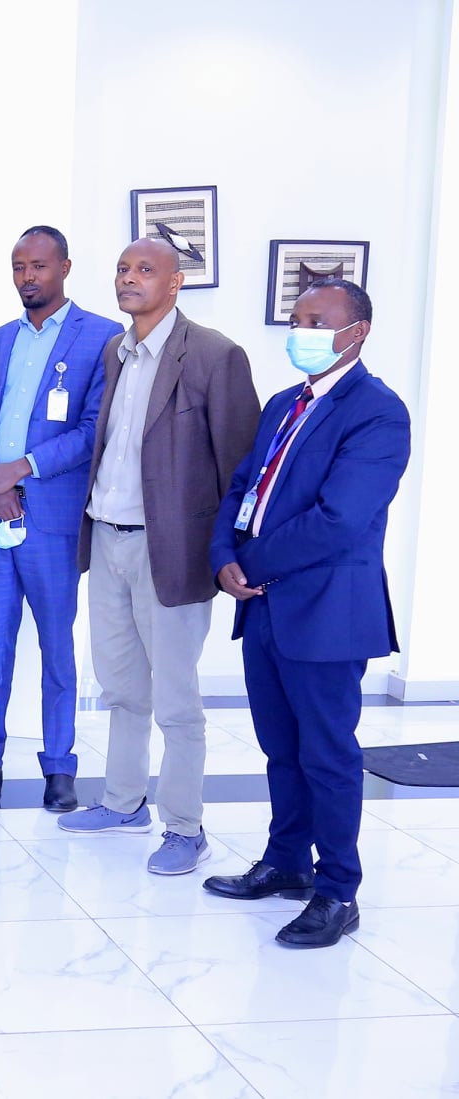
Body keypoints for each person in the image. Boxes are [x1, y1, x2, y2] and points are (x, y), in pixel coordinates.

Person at [205, 279, 409, 948]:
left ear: (358, 331)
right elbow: (244, 486)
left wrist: (252, 562)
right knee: (280, 749)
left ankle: (337, 890)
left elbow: (340, 518)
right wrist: (223, 556)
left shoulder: (378, 412)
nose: (303, 332)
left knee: (327, 754)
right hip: (263, 605)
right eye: (297, 320)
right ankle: (286, 860)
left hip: (326, 611)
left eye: (318, 321)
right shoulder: (283, 404)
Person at [57, 240, 261, 873]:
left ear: (176, 283)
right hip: (107, 537)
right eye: (123, 269)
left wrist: (231, 552)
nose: (129, 279)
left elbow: (240, 466)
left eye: (145, 270)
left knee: (175, 698)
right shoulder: (116, 351)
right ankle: (123, 803)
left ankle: (185, 827)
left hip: (172, 550)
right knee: (120, 687)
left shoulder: (214, 355)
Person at [0, 225, 112, 812]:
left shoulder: (102, 338)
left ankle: (59, 763)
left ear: (64, 267)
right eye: (18, 266)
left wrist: (23, 469)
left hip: (51, 520)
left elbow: (92, 430)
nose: (28, 276)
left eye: (38, 265)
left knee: (57, 648)